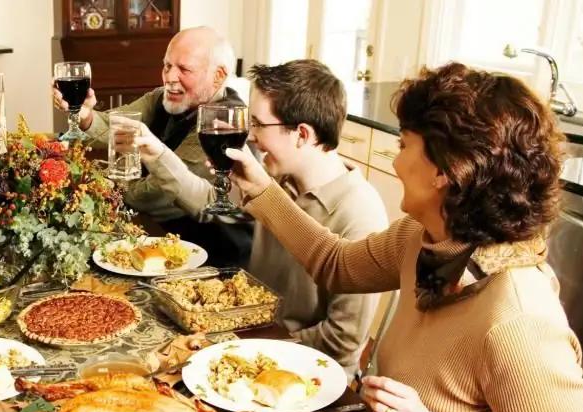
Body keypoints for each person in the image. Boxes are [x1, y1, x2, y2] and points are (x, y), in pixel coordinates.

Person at [225, 62, 583, 412]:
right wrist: (263, 191)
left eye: (403, 145)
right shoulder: (425, 237)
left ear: (445, 171)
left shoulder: (518, 320)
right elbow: (336, 263)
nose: (395, 161)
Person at [125, 59, 388, 377]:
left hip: (304, 374)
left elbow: (340, 342)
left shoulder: (359, 214)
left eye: (259, 124)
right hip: (248, 340)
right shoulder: (277, 181)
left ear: (301, 134)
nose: (250, 135)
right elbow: (210, 203)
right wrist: (157, 155)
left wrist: (247, 345)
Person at [52, 26, 252, 266]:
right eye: (167, 66)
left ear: (218, 76)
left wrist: (104, 182)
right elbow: (114, 124)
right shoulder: (162, 98)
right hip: (156, 239)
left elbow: (157, 196)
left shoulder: (222, 125)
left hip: (209, 260)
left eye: (184, 69)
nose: (169, 77)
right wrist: (84, 115)